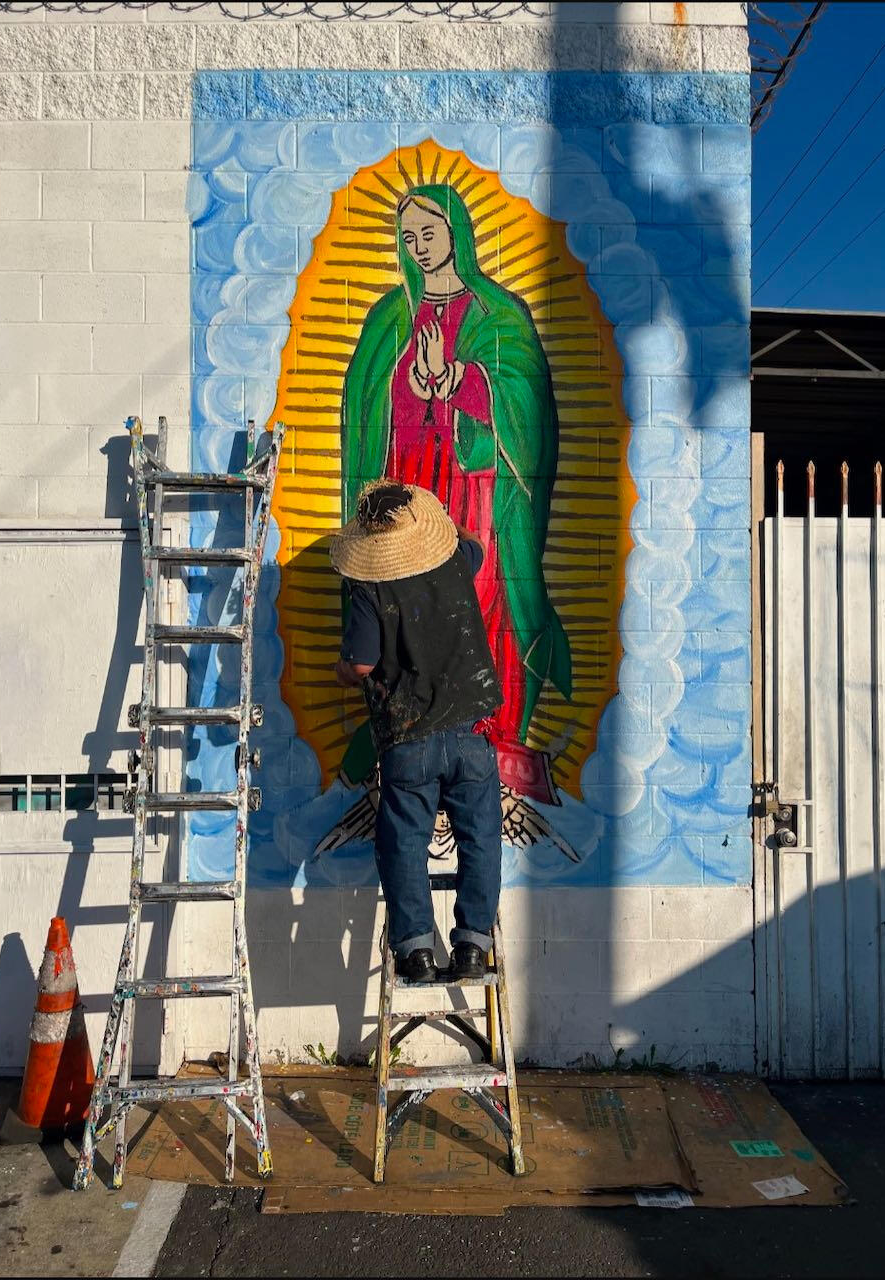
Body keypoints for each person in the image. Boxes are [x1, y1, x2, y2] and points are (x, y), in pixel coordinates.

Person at [338, 182, 571, 802]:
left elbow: (525, 403)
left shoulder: (500, 315)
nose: (418, 246)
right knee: (405, 607)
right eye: (408, 237)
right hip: (408, 488)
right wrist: (411, 388)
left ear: (457, 233)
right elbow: (364, 411)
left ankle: (489, 740)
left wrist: (456, 379)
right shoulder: (390, 317)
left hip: (474, 490)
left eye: (429, 232)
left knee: (481, 599)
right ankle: (407, 732)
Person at [331, 478, 503, 984]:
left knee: (403, 843)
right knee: (480, 838)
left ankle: (416, 952)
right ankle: (472, 947)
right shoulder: (455, 561)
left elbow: (360, 665)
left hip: (410, 739)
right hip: (471, 730)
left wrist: (341, 670)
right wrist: (450, 528)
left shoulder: (368, 586)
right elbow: (474, 545)